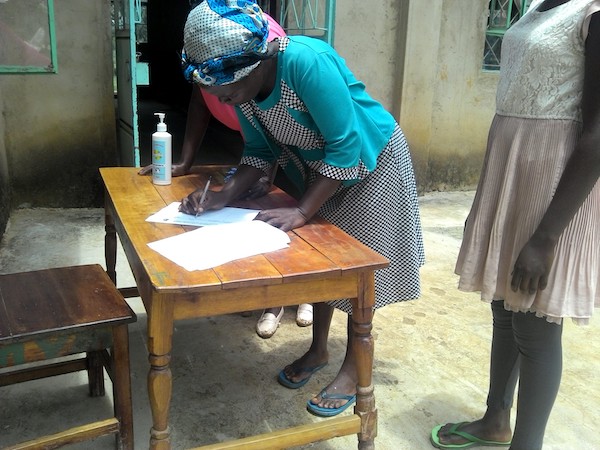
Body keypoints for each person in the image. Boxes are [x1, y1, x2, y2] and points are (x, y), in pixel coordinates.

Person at [179, 0, 424, 417]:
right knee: (322, 268)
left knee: (355, 269)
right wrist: (221, 195)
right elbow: (257, 152)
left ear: (259, 60)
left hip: (371, 161)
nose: (224, 98)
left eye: (228, 90)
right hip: (323, 168)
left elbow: (346, 145)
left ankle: (354, 366)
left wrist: (303, 212)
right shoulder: (246, 88)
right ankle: (318, 351)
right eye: (217, 92)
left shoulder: (307, 63)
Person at [430, 1, 600, 449]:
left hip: (553, 180)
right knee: (505, 308)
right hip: (512, 167)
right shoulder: (538, 6)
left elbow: (598, 130)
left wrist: (546, 237)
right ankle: (495, 420)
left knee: (536, 325)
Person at [138, 1, 311, 338]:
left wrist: (269, 177)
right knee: (259, 217)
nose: (224, 99)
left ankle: (303, 295)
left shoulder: (265, 49)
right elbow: (252, 140)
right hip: (268, 146)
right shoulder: (208, 42)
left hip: (308, 153)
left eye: (228, 92)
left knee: (299, 226)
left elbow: (287, 130)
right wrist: (198, 173)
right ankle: (271, 299)